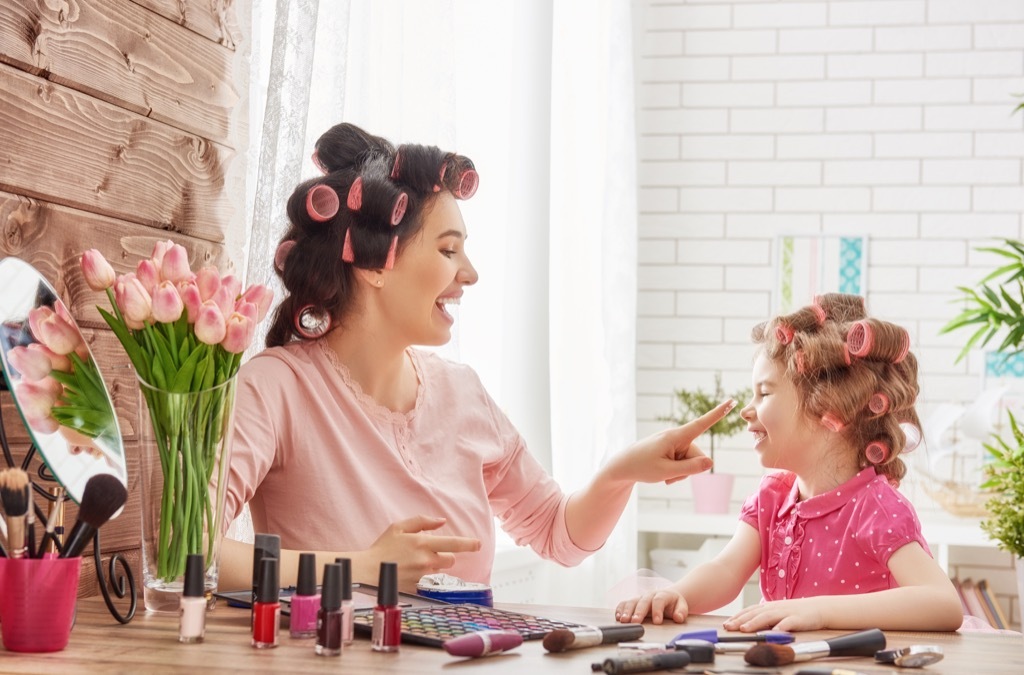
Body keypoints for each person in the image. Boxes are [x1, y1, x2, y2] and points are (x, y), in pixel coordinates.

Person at [218, 123, 736, 592]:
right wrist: (361, 566)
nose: (470, 273)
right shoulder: (276, 388)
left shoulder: (462, 392)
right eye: (448, 250)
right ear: (374, 263)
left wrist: (621, 472)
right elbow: (189, 553)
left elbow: (557, 533)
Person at [614, 293, 964, 632]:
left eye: (764, 393)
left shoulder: (875, 509)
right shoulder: (772, 497)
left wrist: (819, 610)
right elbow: (725, 570)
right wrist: (676, 594)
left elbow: (942, 603)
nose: (747, 410)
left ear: (827, 407)